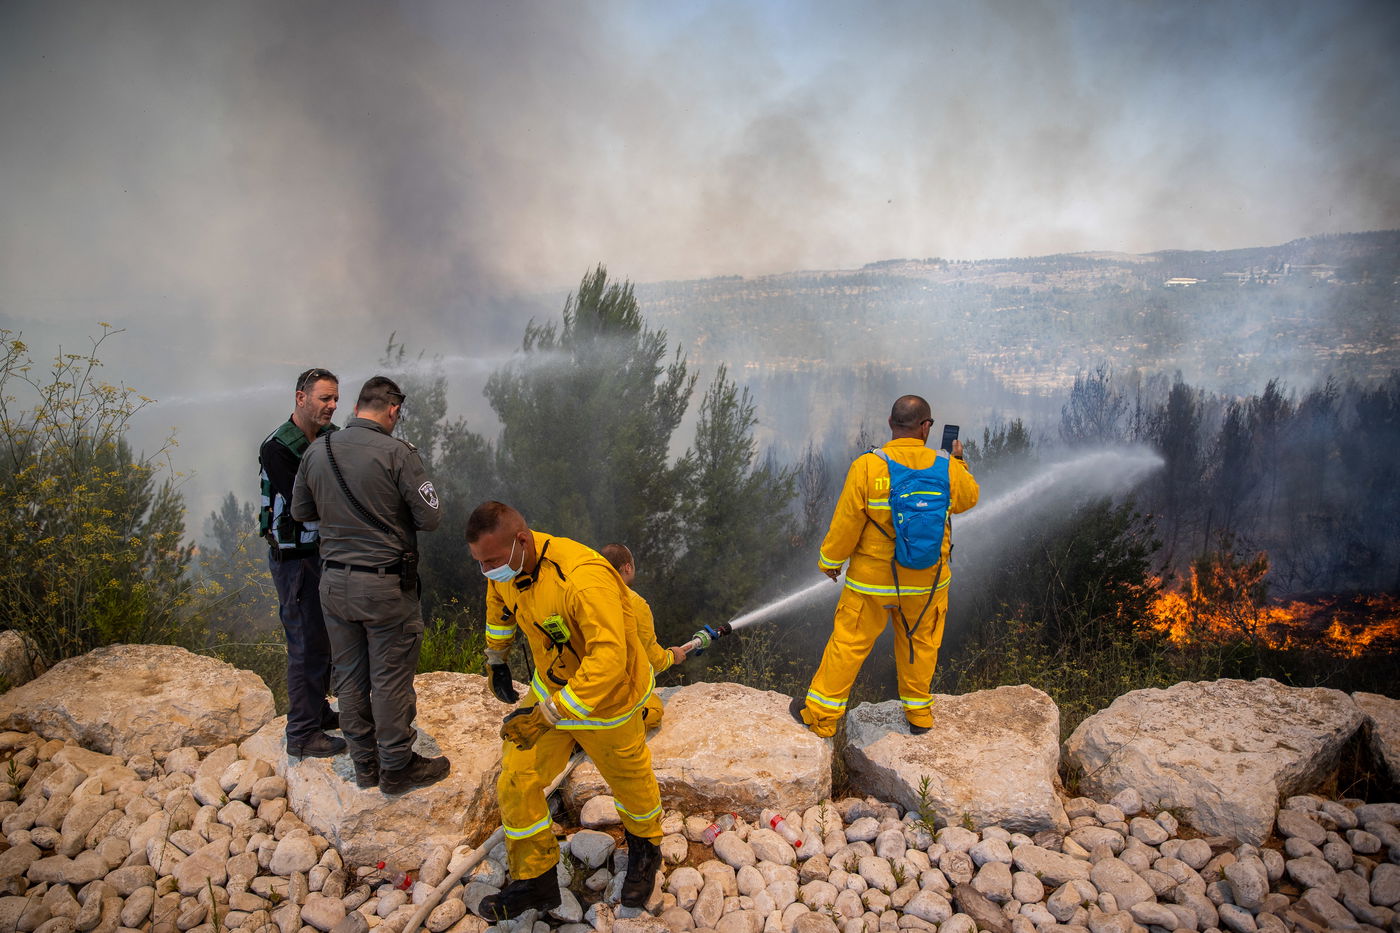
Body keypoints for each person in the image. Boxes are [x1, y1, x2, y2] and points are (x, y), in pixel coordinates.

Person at [467, 502, 663, 920]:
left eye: (493, 562)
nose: (487, 571)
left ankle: (646, 851)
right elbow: (498, 605)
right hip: (554, 687)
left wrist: (548, 715)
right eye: (480, 563)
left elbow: (608, 659)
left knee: (631, 784)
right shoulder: (507, 569)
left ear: (522, 540)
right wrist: (496, 657)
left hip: (611, 699)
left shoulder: (581, 578)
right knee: (517, 776)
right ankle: (536, 880)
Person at [291, 376, 448, 794]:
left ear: (357, 406)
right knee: (391, 679)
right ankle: (397, 767)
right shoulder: (399, 454)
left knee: (349, 677)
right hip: (385, 587)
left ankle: (365, 766)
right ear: (393, 409)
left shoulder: (317, 449)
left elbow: (302, 511)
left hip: (334, 583)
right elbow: (430, 518)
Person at [794, 395, 979, 738]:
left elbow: (847, 521)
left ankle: (820, 717)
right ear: (926, 427)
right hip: (927, 583)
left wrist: (830, 561)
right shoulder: (946, 466)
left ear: (892, 424)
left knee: (848, 644)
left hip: (872, 584)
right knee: (920, 644)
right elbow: (968, 499)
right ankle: (919, 715)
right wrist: (959, 461)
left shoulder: (868, 465)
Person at [258, 367, 346, 759]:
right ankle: (302, 734)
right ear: (300, 398)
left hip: (324, 553)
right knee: (305, 643)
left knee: (324, 637)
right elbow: (302, 501)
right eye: (324, 398)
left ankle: (319, 711)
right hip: (294, 559)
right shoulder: (276, 447)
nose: (331, 406)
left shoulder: (333, 438)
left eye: (335, 399)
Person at [599, 543, 682, 728]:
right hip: (615, 693)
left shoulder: (586, 593)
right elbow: (653, 657)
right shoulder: (635, 603)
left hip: (584, 686)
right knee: (654, 711)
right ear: (627, 567)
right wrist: (672, 655)